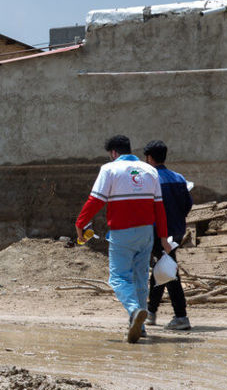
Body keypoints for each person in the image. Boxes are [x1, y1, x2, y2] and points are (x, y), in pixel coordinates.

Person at [75, 135, 172, 343]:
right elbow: (159, 209)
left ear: (113, 153)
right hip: (147, 232)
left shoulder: (109, 169)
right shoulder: (150, 171)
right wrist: (163, 237)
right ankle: (141, 325)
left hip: (121, 232)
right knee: (140, 278)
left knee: (118, 278)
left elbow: (95, 201)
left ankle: (134, 310)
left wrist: (80, 223)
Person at [143, 140, 193, 330]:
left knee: (169, 272)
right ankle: (151, 312)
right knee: (162, 269)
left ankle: (181, 316)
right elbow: (187, 205)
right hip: (177, 232)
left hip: (158, 233)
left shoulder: (150, 178)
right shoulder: (179, 178)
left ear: (149, 158)